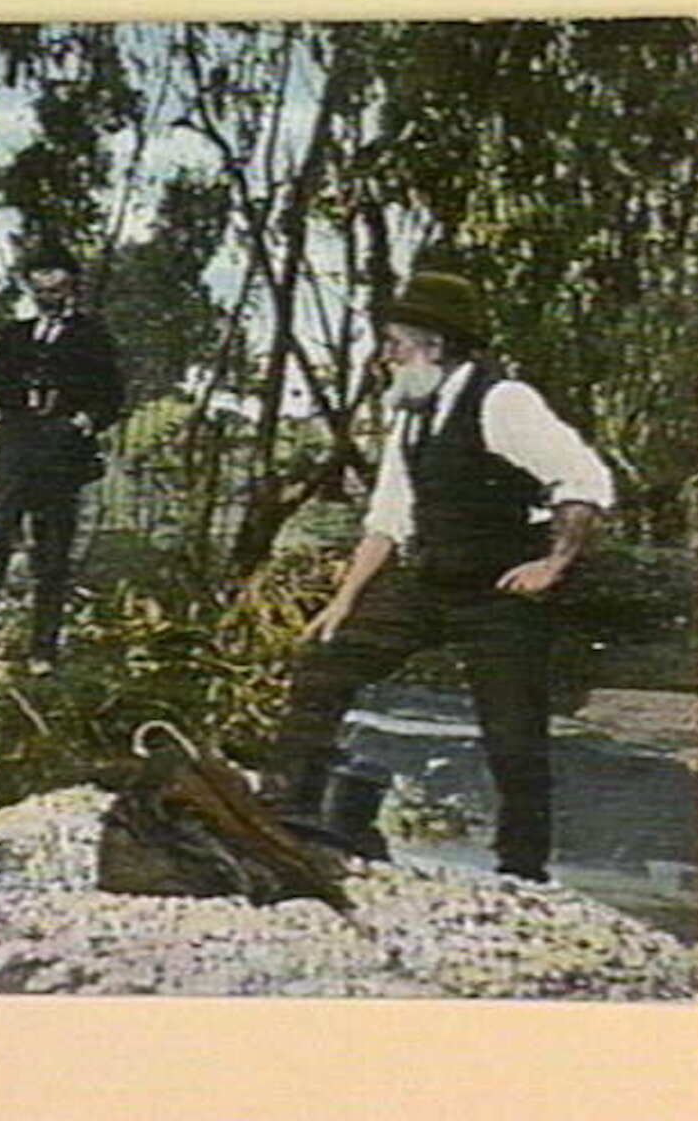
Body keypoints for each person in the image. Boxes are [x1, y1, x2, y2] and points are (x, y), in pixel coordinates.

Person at [261, 271, 613, 880]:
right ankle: (285, 813)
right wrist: (343, 603)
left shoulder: (504, 401)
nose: (387, 354)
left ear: (435, 343)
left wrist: (552, 564)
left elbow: (585, 480)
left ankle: (522, 872)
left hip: (498, 590)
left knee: (513, 733)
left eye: (396, 341)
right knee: (326, 656)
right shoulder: (413, 414)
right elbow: (387, 520)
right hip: (429, 582)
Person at [0, 245, 125, 674]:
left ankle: (43, 649)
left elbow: (111, 392)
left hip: (61, 448)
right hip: (12, 443)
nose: (46, 289)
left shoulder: (92, 334)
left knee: (51, 550)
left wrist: (83, 422)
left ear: (71, 283)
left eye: (55, 279)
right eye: (38, 280)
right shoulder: (15, 334)